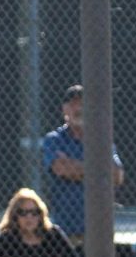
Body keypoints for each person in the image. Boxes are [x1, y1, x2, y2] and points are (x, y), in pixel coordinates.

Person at [42, 84, 125, 243]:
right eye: (73, 104)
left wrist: (75, 167)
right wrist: (100, 172)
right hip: (66, 228)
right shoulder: (54, 139)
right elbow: (61, 168)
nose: (78, 108)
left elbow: (117, 176)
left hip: (100, 226)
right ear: (64, 109)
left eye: (83, 104)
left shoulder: (101, 139)